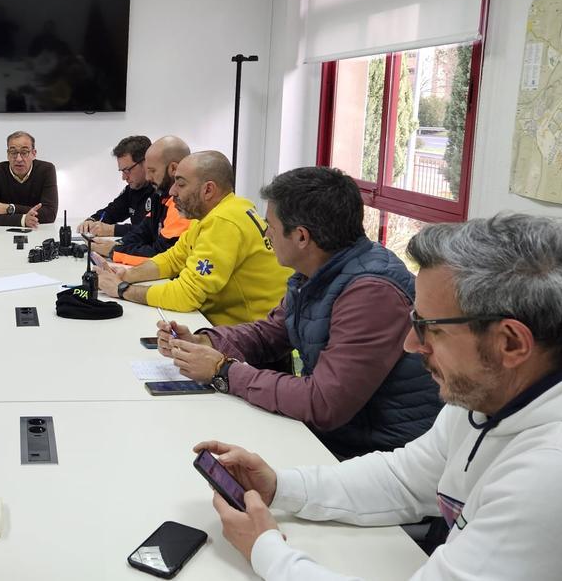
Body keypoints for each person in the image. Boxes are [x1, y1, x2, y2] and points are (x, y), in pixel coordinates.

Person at [195, 213, 562, 580]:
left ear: (510, 342)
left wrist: (267, 551)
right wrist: (280, 487)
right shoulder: (497, 387)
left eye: (430, 328)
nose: (412, 344)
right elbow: (407, 478)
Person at [158, 167, 441, 457]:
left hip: (374, 454)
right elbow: (270, 333)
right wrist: (205, 342)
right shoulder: (316, 272)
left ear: (302, 237)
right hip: (339, 436)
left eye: (271, 226)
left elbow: (323, 402)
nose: (266, 234)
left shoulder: (372, 294)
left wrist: (224, 371)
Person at [97, 151, 289, 326]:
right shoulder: (216, 212)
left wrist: (122, 290)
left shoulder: (224, 221)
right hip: (241, 331)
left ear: (208, 190)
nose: (172, 192)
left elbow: (186, 295)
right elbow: (173, 259)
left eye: (180, 184)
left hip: (255, 341)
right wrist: (125, 275)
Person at [89, 135, 193, 264]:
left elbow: (163, 255)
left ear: (173, 169)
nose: (148, 177)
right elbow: (143, 231)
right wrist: (118, 245)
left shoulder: (183, 203)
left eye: (152, 171)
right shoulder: (160, 195)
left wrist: (114, 251)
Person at [0, 131, 58, 228]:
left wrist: (10, 208)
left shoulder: (46, 170)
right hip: (3, 234)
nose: (19, 158)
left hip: (39, 231)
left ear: (34, 153)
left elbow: (49, 214)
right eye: (13, 152)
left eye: (24, 152)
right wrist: (23, 220)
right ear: (8, 154)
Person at [78, 135, 153, 237]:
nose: (123, 177)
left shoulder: (162, 191)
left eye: (127, 170)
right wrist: (92, 220)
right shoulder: (132, 189)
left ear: (145, 163)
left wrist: (113, 230)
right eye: (122, 171)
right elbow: (112, 212)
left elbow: (151, 231)